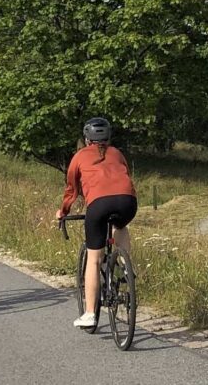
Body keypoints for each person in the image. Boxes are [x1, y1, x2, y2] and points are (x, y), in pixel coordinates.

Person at [55, 117, 138, 329]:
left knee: (93, 259)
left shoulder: (80, 156)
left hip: (99, 204)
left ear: (86, 138)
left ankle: (90, 313)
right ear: (108, 137)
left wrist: (63, 211)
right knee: (120, 225)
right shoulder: (117, 153)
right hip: (128, 202)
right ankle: (125, 267)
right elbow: (126, 176)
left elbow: (71, 190)